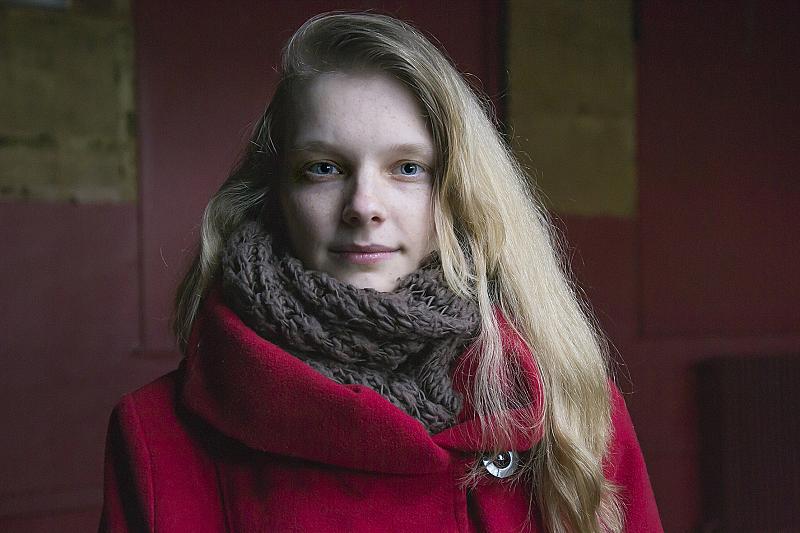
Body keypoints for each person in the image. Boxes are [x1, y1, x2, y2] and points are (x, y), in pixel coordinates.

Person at [99, 12, 662, 533]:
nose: (364, 205)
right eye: (323, 168)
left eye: (408, 168)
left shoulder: (570, 406)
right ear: (276, 195)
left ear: (459, 191)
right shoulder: (155, 434)